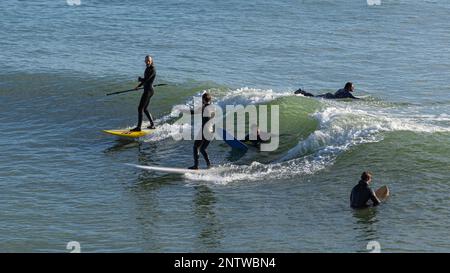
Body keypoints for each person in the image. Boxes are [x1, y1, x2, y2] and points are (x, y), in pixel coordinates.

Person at [188, 92, 215, 170]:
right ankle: (209, 165)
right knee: (203, 149)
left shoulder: (204, 107)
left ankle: (196, 166)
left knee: (196, 147)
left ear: (203, 99)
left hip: (205, 130)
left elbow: (193, 112)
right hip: (211, 130)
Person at [130, 55, 156, 132]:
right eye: (146, 60)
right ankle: (152, 125)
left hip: (149, 91)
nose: (147, 62)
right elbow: (145, 81)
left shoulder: (152, 69)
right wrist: (138, 86)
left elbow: (147, 80)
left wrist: (140, 79)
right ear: (145, 61)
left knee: (140, 108)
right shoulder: (147, 68)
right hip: (147, 90)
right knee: (145, 109)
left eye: (149, 60)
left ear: (151, 61)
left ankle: (138, 127)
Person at [294, 82, 359, 99]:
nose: (353, 88)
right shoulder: (347, 93)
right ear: (349, 87)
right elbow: (354, 99)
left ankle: (302, 92)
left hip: (329, 95)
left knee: (314, 96)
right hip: (330, 97)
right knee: (313, 97)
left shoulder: (341, 89)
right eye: (352, 87)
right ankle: (302, 92)